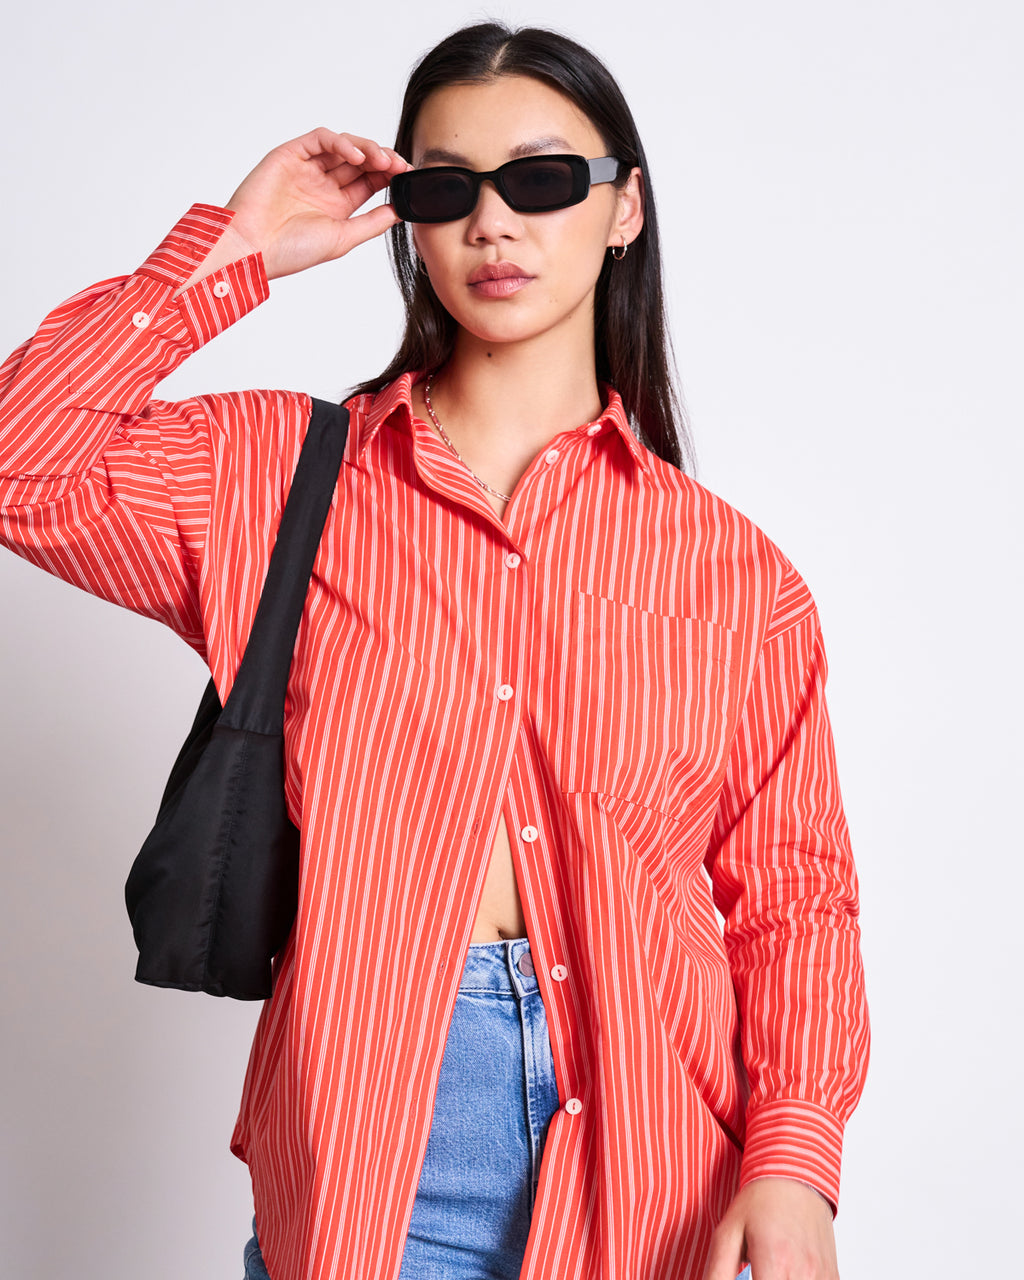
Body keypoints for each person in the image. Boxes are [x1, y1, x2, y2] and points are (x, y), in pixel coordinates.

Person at [0, 21, 868, 1280]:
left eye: (543, 179)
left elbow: (793, 897)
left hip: (655, 1157)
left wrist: (791, 1157)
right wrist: (236, 255)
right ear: (408, 216)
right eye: (445, 187)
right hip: (376, 1151)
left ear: (624, 210)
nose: (493, 224)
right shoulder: (274, 480)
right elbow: (23, 461)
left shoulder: (731, 572)